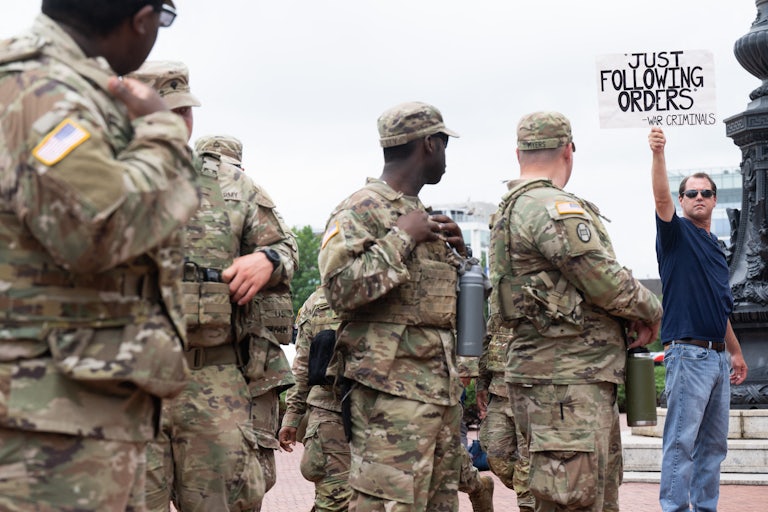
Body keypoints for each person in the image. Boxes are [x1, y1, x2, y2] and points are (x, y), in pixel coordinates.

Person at [0, 2, 199, 511]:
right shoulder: (39, 89)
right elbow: (98, 226)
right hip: (43, 420)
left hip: (77, 408)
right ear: (142, 18)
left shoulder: (70, 85)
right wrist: (163, 134)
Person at [129, 61, 298, 511]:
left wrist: (268, 259)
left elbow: (285, 245)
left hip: (211, 379)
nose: (179, 121)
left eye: (184, 110)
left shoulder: (230, 183)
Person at [489, 111, 663, 512]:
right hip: (566, 378)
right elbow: (601, 278)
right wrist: (651, 309)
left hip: (558, 377)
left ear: (519, 152)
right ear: (569, 150)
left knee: (587, 495)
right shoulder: (551, 206)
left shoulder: (512, 207)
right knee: (576, 499)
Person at [318, 101, 470, 511]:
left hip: (438, 397)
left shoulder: (420, 214)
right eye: (444, 143)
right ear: (429, 145)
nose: (445, 155)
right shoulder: (361, 208)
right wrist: (401, 238)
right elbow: (338, 289)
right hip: (388, 399)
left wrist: (463, 255)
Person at [648, 127, 748, 512]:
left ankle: (705, 508)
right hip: (687, 355)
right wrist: (658, 153)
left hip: (717, 357)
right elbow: (659, 197)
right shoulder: (676, 235)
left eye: (706, 192)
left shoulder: (715, 247)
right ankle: (675, 509)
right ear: (682, 199)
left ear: (715, 199)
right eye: (692, 193)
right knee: (681, 443)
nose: (700, 197)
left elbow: (718, 308)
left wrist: (735, 353)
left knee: (713, 447)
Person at [279, 287, 352, 512]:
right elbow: (303, 365)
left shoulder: (318, 299)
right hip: (332, 410)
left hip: (382, 410)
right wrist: (292, 416)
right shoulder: (318, 301)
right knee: (335, 498)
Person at [476, 318, 534, 512]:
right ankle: (538, 491)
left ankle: (529, 503)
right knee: (495, 456)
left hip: (532, 393)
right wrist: (481, 383)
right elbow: (487, 340)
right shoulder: (500, 294)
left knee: (529, 460)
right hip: (499, 392)